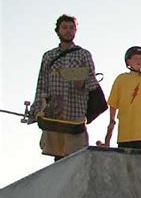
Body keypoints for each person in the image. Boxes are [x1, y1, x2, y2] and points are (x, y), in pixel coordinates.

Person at [29, 14, 99, 161]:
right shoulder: (49, 56)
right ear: (58, 30)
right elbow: (42, 83)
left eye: (71, 28)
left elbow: (93, 83)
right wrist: (36, 110)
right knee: (58, 159)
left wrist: (82, 83)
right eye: (65, 27)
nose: (68, 31)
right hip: (54, 112)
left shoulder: (83, 55)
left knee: (76, 159)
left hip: (76, 113)